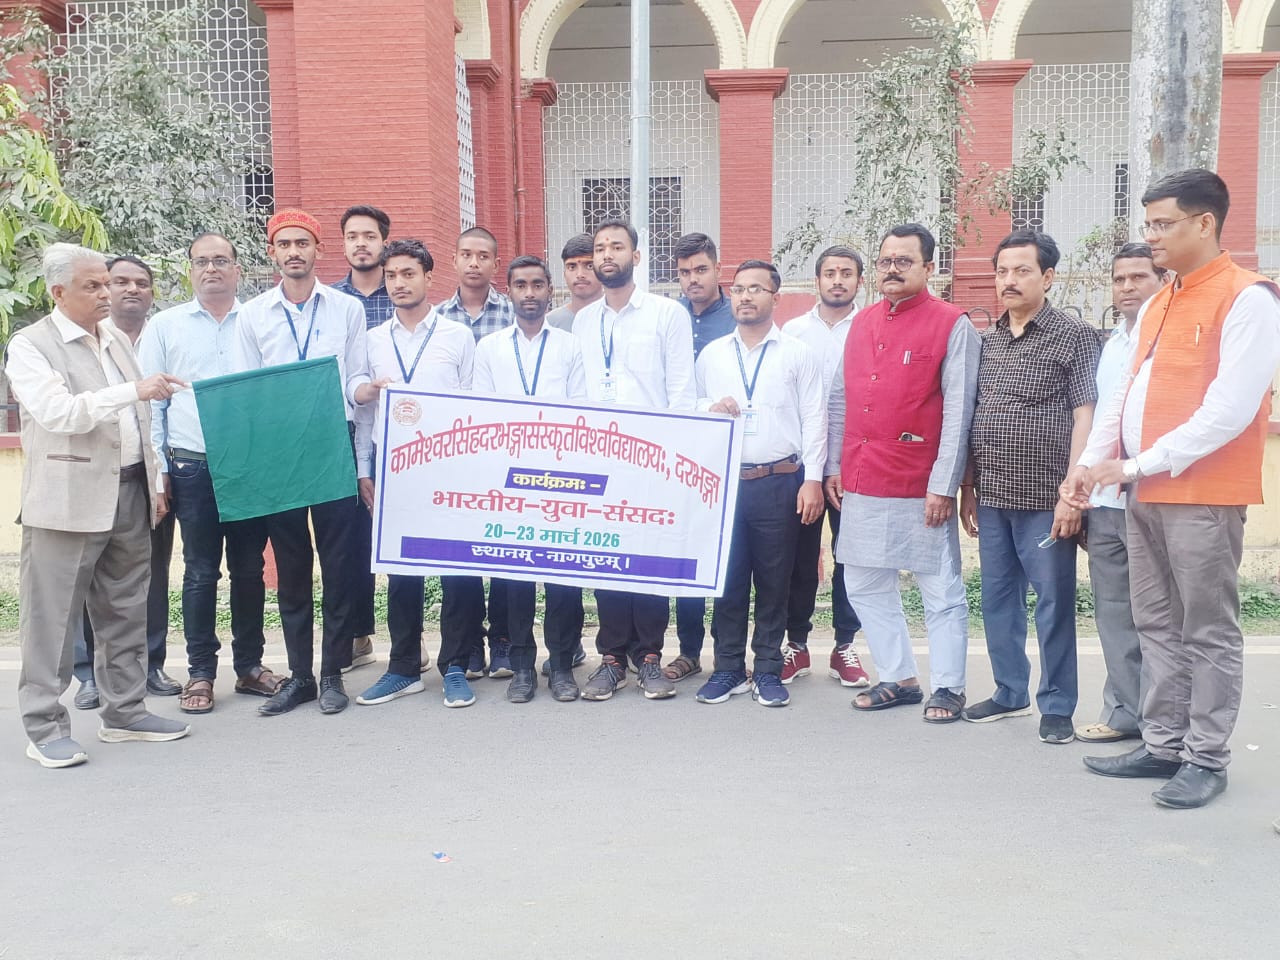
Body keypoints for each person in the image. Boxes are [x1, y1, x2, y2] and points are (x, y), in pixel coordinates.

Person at [1065, 169, 1280, 809]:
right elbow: (1122, 395)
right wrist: (1091, 463)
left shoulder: (1248, 299)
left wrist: (1136, 466)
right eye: (1149, 224)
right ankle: (1163, 744)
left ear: (1205, 222)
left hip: (1202, 495)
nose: (1152, 236)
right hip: (1144, 493)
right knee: (1156, 622)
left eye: (1164, 224)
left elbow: (1229, 411)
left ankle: (1205, 758)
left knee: (1206, 630)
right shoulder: (1162, 301)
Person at [7, 243, 191, 767]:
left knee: (126, 609)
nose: (106, 294)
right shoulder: (32, 345)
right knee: (52, 619)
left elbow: (140, 422)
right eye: (93, 286)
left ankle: (125, 713)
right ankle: (44, 726)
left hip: (129, 492)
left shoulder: (113, 338)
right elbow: (59, 413)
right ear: (58, 292)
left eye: (106, 283)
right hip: (65, 501)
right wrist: (133, 390)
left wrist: (152, 482)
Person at [824, 224, 979, 721]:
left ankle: (949, 686)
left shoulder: (952, 324)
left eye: (904, 261)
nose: (892, 269)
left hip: (921, 483)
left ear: (929, 268)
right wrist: (834, 465)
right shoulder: (861, 323)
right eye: (886, 261)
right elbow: (840, 398)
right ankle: (899, 677)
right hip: (863, 476)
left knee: (940, 589)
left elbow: (959, 411)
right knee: (863, 583)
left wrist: (945, 485)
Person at [958, 229, 1099, 744]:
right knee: (997, 599)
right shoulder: (987, 339)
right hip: (992, 496)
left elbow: (1086, 414)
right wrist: (968, 486)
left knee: (1053, 603)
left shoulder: (1075, 336)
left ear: (1048, 276)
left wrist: (1072, 494)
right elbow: (974, 414)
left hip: (1046, 500)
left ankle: (1057, 704)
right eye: (1002, 271)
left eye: (1021, 271)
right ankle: (1009, 690)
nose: (1009, 281)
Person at [233, 209, 374, 717]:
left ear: (318, 249)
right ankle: (301, 677)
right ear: (272, 252)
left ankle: (333, 673)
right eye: (285, 244)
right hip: (279, 450)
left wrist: (366, 393)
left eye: (303, 243)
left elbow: (356, 378)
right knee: (291, 568)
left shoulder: (346, 309)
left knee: (339, 566)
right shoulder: (253, 315)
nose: (294, 251)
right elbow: (247, 390)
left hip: (332, 442)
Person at [137, 233, 280, 715]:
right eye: (201, 261)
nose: (211, 269)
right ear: (190, 270)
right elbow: (152, 406)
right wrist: (159, 471)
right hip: (192, 464)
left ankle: (250, 667)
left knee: (250, 569)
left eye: (221, 260)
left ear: (237, 268)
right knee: (200, 571)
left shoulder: (259, 321)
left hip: (249, 465)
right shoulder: (165, 326)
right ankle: (200, 672)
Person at [693, 260, 825, 708]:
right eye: (738, 289)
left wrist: (812, 480)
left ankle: (768, 669)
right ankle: (728, 668)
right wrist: (709, 408)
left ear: (775, 297)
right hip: (727, 483)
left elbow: (815, 419)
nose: (745, 296)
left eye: (756, 289)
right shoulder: (713, 355)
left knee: (775, 581)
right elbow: (690, 405)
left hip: (780, 481)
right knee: (728, 581)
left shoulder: (797, 353)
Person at [573, 219, 696, 700]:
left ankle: (648, 657)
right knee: (606, 558)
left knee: (647, 559)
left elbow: (681, 391)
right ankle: (610, 659)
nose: (607, 254)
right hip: (600, 460)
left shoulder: (667, 315)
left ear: (636, 257)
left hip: (651, 459)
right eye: (600, 248)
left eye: (617, 246)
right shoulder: (585, 320)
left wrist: (674, 460)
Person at [353, 239, 478, 708]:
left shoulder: (457, 336)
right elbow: (363, 409)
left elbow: (474, 403)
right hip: (394, 466)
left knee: (456, 570)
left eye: (408, 274)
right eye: (391, 276)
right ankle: (403, 667)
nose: (399, 283)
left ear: (429, 276)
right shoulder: (373, 339)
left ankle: (456, 666)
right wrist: (365, 468)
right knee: (401, 570)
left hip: (449, 466)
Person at [473, 255, 588, 703]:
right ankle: (521, 666)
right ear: (509, 291)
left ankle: (561, 665)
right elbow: (483, 411)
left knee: (563, 578)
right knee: (514, 578)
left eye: (538, 284)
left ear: (549, 290)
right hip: (508, 477)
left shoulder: (570, 346)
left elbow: (580, 408)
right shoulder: (490, 348)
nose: (529, 293)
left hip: (561, 474)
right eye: (520, 285)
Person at [72, 255, 182, 709]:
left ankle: (150, 664)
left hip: (148, 478)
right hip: (91, 478)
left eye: (141, 282)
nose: (131, 289)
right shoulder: (86, 342)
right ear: (105, 289)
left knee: (149, 576)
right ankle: (89, 674)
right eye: (120, 282)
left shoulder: (163, 335)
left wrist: (160, 475)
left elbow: (160, 414)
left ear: (152, 292)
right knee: (88, 577)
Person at [1073, 243, 1166, 743]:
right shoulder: (1110, 345)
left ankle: (1163, 722)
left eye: (1138, 277)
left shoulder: (1170, 338)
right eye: (1119, 279)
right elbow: (1102, 418)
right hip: (1106, 502)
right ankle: (1125, 711)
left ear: (1162, 281)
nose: (1127, 287)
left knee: (1158, 616)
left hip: (1152, 494)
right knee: (1112, 612)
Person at [780, 244, 869, 687]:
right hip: (804, 467)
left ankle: (844, 646)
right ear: (817, 280)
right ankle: (795, 644)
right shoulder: (793, 332)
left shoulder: (871, 328)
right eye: (830, 273)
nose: (837, 280)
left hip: (857, 465)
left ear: (859, 281)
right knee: (799, 559)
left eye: (846, 273)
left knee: (849, 557)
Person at [435, 226, 515, 680]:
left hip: (503, 449)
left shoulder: (513, 312)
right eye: (466, 254)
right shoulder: (437, 319)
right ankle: (465, 645)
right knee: (459, 553)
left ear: (495, 263)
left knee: (502, 547)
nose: (473, 262)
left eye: (483, 256)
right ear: (453, 260)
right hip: (453, 454)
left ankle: (502, 640)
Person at [666, 232, 737, 683]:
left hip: (730, 453)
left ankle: (729, 654)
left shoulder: (737, 316)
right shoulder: (669, 317)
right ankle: (688, 650)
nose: (693, 279)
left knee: (729, 557)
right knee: (687, 552)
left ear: (717, 269)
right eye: (684, 272)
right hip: (680, 452)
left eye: (701, 270)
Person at [333, 204, 397, 674]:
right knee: (352, 541)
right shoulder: (332, 303)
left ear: (384, 242)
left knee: (402, 536)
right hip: (351, 429)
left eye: (369, 236)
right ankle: (358, 635)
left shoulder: (402, 293)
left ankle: (409, 639)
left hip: (404, 431)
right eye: (353, 236)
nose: (361, 243)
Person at [546, 232, 602, 333]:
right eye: (572, 267)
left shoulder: (619, 318)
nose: (580, 274)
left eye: (589, 266)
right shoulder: (550, 324)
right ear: (564, 274)